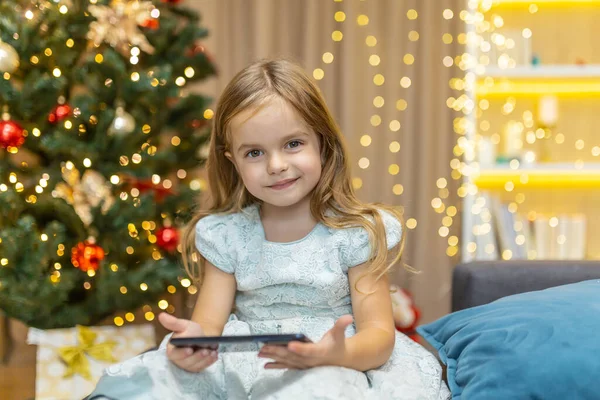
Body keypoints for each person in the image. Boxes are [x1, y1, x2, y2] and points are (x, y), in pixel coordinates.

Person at [90, 58, 449, 400]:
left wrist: (334, 354)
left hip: (335, 361)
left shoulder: (357, 232)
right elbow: (208, 327)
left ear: (322, 144)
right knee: (150, 383)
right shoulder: (226, 235)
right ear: (233, 160)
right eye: (254, 153)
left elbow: (380, 338)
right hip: (244, 364)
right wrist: (195, 345)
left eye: (293, 144)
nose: (277, 165)